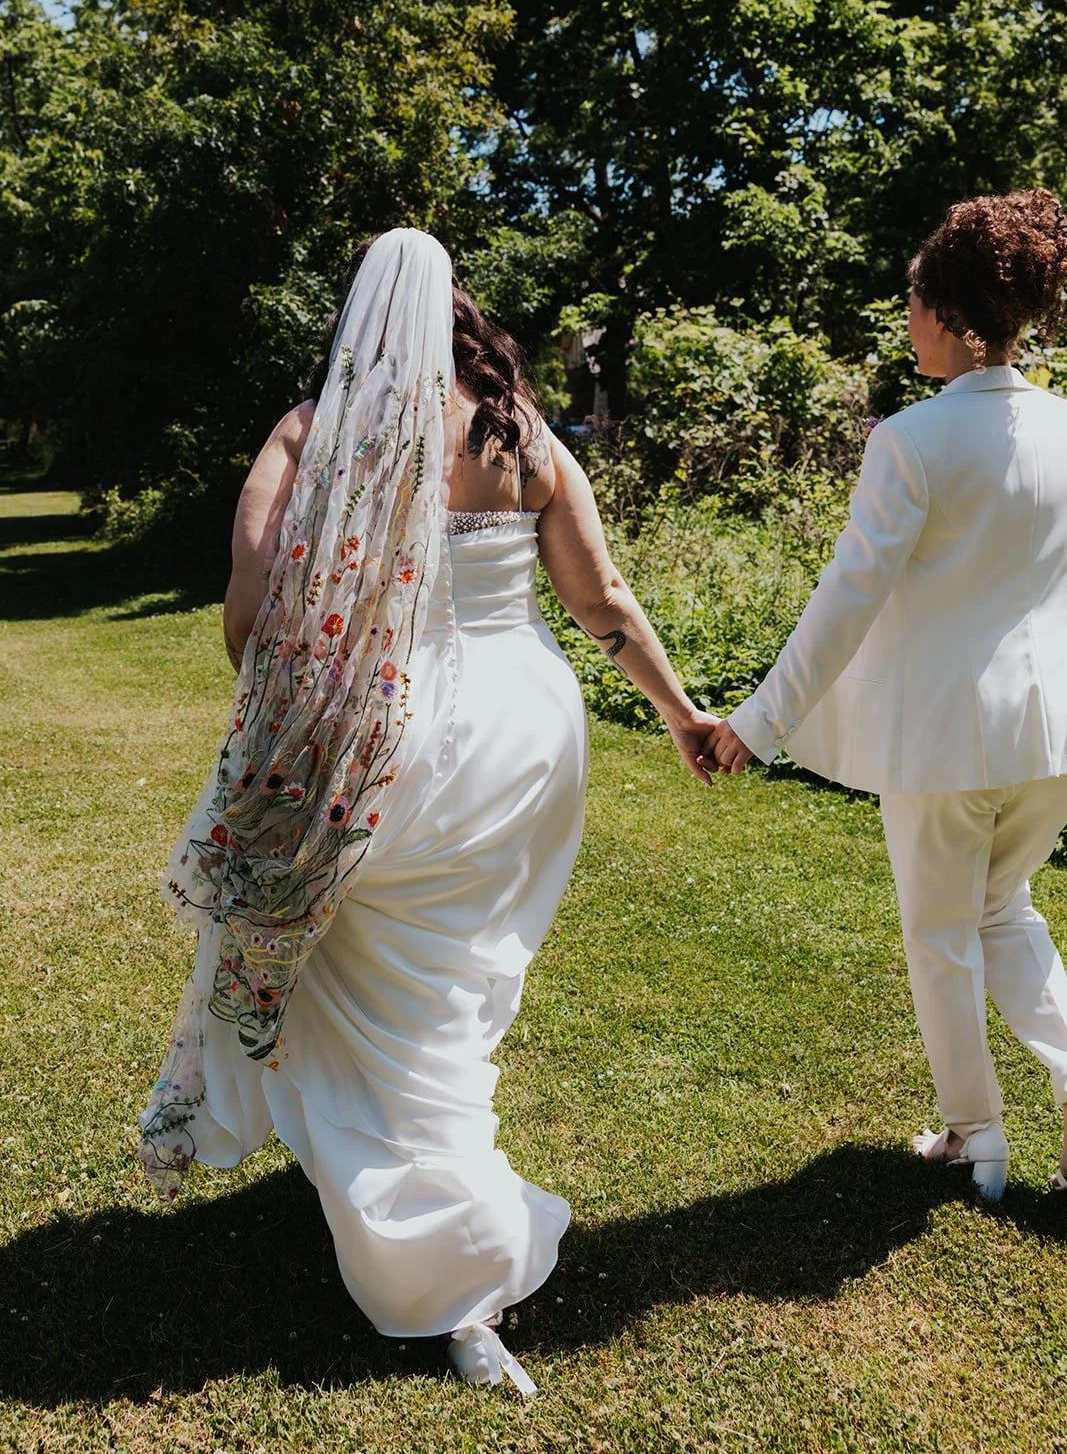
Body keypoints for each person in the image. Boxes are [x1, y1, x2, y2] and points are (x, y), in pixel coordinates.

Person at [138, 228, 717, 1391]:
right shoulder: (526, 438)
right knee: (452, 991)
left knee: (366, 990)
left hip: (378, 748)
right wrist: (681, 712)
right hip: (521, 740)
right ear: (458, 310)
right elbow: (600, 599)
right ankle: (433, 1207)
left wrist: (304, 708)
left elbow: (248, 620)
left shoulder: (312, 436)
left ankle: (435, 1249)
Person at [705, 188, 1067, 1202]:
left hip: (949, 739)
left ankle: (974, 1136)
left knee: (940, 932)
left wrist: (755, 723)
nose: (902, 317)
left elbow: (844, 600)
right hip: (1053, 736)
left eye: (910, 299)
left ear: (946, 315)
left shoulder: (909, 440)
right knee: (1002, 911)